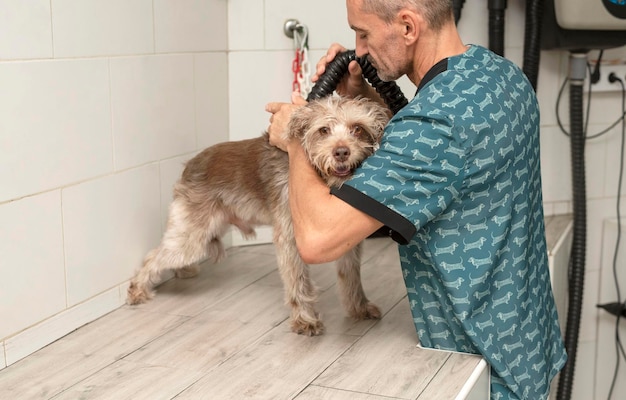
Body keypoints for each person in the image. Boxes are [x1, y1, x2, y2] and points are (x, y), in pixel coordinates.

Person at [265, 0, 567, 398]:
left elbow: (318, 240)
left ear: (408, 26)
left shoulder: (434, 124)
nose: (358, 49)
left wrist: (296, 140)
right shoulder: (500, 74)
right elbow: (438, 163)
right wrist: (363, 95)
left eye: (364, 33)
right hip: (528, 346)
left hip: (482, 371)